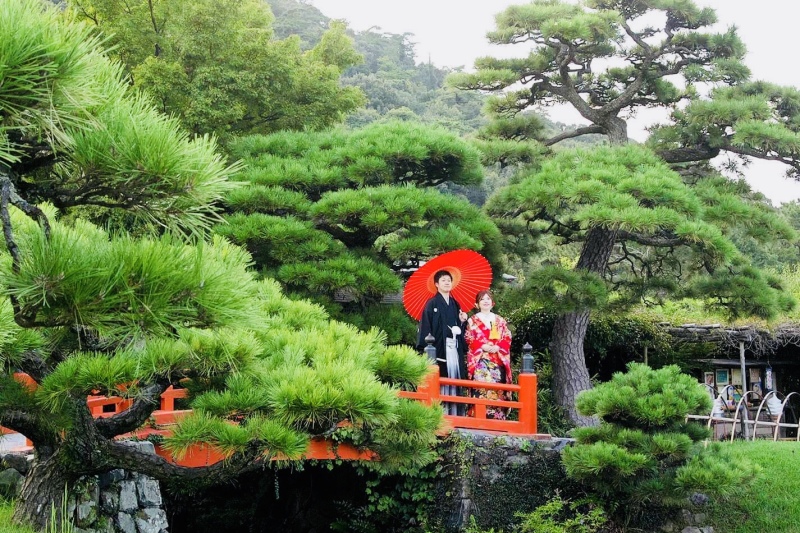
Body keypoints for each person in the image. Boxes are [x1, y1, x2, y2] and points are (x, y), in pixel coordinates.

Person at [416, 269, 468, 415]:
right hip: (439, 349)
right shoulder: (431, 303)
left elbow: (459, 327)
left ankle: (455, 412)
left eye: (449, 280)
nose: (447, 282)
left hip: (454, 347)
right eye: (443, 280)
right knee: (441, 377)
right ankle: (439, 412)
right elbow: (426, 327)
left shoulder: (455, 304)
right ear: (437, 284)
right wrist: (427, 348)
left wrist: (462, 322)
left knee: (454, 377)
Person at [464, 290, 512, 420]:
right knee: (481, 385)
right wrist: (481, 346)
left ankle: (497, 417)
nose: (485, 301)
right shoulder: (472, 320)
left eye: (488, 299)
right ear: (477, 304)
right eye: (482, 299)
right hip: (480, 360)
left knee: (497, 388)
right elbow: (469, 338)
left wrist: (498, 347)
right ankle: (479, 416)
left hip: (497, 359)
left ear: (493, 303)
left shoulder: (500, 320)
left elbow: (507, 337)